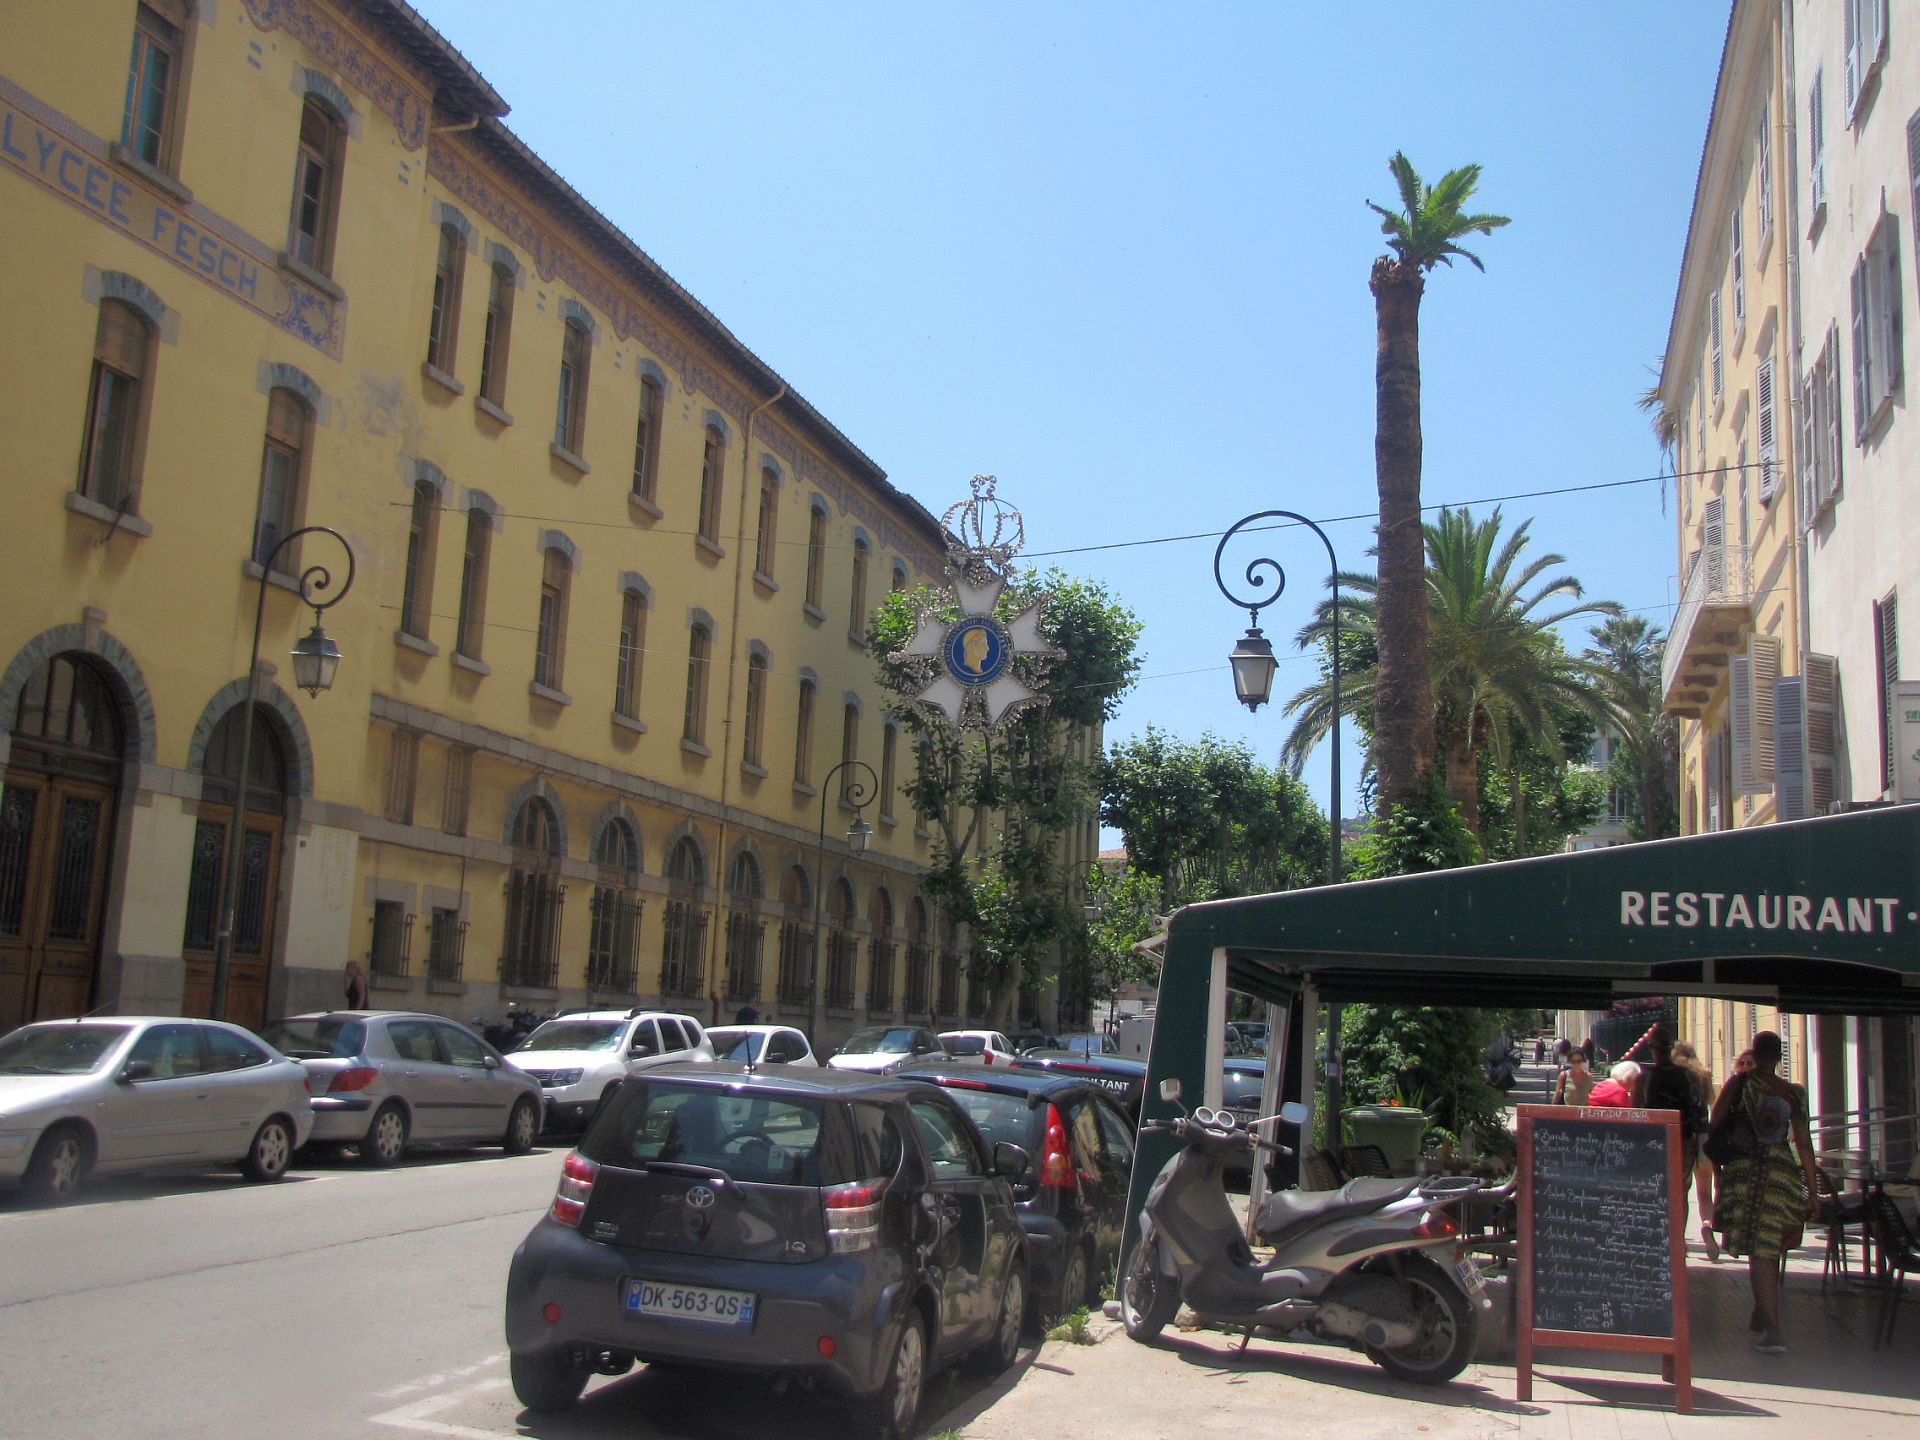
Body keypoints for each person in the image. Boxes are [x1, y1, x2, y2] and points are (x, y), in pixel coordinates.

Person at [1709, 1030, 1820, 1355]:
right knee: (1769, 1246)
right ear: (1779, 1057)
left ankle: (1773, 1330)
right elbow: (1803, 1143)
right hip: (1781, 1174)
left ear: (1755, 1054)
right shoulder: (1793, 1094)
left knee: (1760, 1250)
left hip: (1745, 1174)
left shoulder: (1739, 1084)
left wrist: (1718, 1172)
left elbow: (1715, 1123)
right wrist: (1813, 1191)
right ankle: (1763, 1309)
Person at [1670, 1039, 1720, 1260]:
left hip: (1683, 1138)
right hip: (1703, 1136)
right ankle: (1707, 1225)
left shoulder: (1674, 1075)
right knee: (1704, 1193)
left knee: (1681, 1191)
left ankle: (1680, 1240)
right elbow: (1712, 1101)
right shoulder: (1703, 1074)